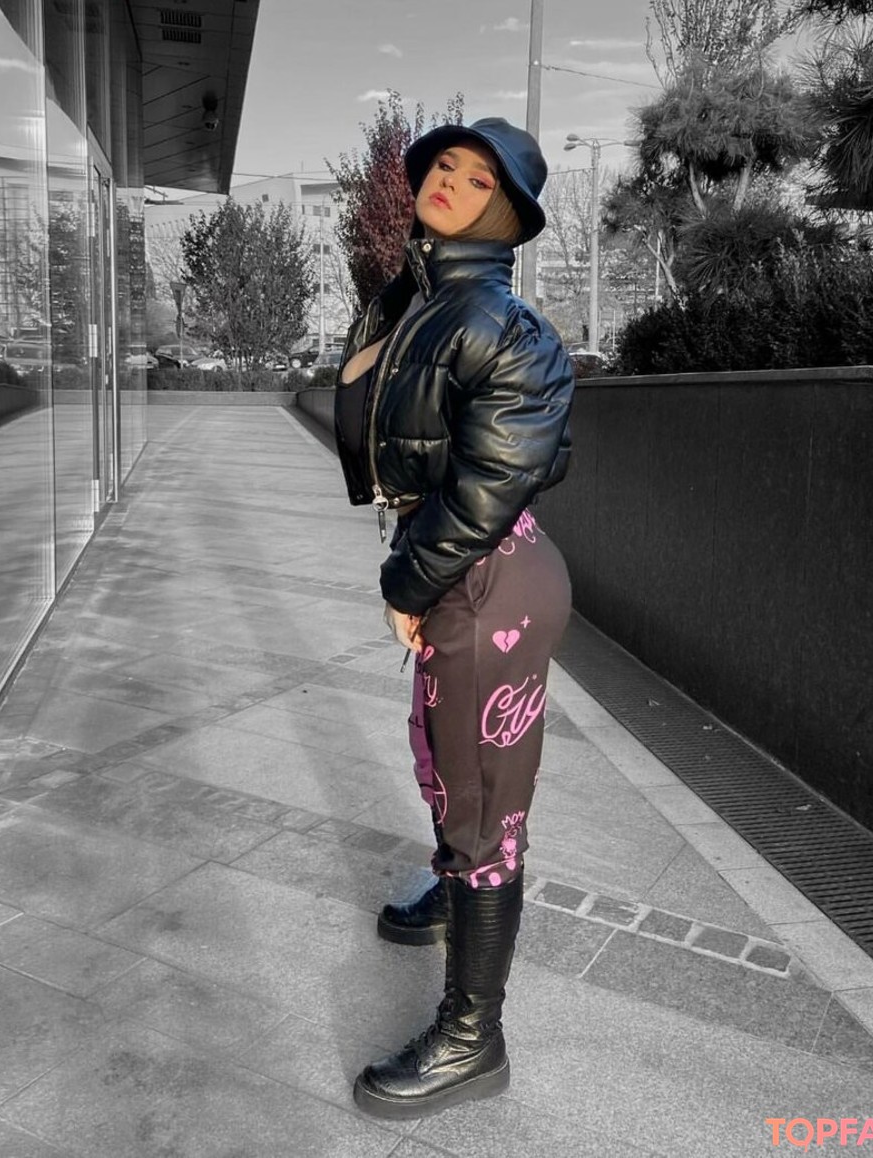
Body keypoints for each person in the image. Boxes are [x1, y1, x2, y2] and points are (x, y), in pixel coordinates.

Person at [334, 117, 575, 1120]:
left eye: (479, 179)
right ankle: (453, 888)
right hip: (460, 567)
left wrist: (407, 583)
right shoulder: (426, 301)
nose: (450, 181)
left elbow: (489, 487)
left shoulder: (503, 325)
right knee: (443, 758)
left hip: (484, 577)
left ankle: (474, 1039)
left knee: (483, 811)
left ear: (507, 214)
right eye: (444, 165)